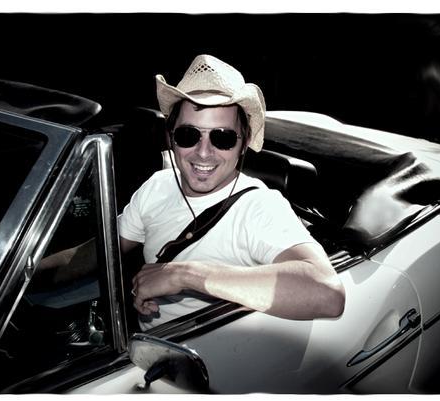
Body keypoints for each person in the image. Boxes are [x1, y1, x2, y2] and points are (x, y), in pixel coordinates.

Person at [118, 54, 345, 330]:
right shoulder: (158, 185)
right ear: (171, 137)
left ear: (244, 143)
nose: (203, 152)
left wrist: (185, 275)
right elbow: (109, 246)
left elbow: (327, 292)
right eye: (188, 135)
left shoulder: (259, 206)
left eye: (222, 138)